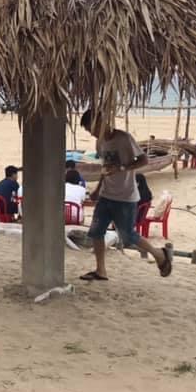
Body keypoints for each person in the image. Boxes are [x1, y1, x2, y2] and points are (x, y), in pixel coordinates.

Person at [80, 109, 173, 281]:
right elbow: (105, 167)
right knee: (96, 232)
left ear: (99, 122)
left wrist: (122, 168)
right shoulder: (99, 144)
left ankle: (159, 254)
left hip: (125, 196)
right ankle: (101, 270)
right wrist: (98, 189)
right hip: (106, 195)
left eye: (90, 128)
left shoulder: (124, 139)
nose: (91, 133)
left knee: (128, 236)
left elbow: (144, 160)